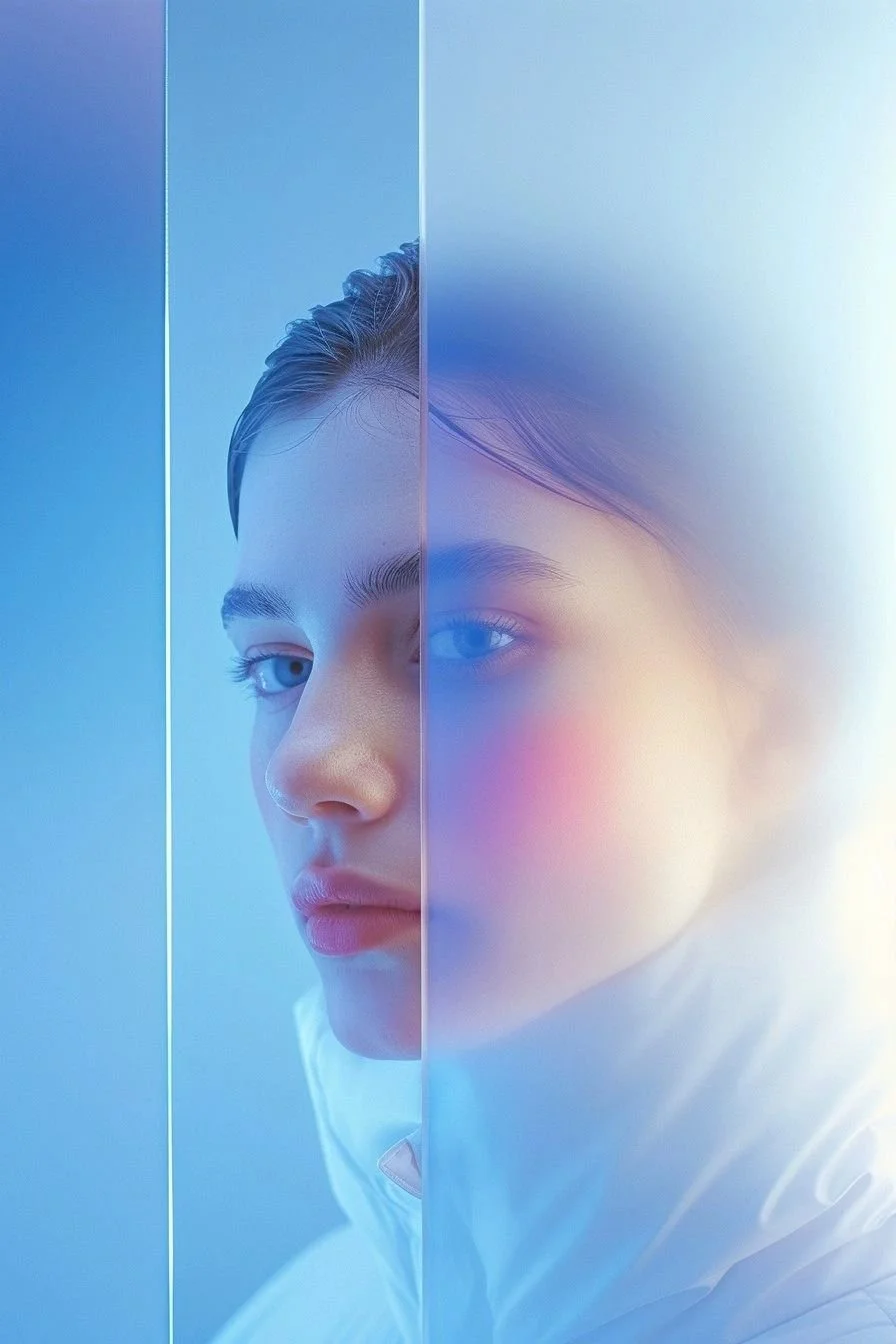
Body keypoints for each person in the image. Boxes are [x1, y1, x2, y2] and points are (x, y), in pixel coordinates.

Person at [213, 241, 896, 1342]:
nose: (306, 764)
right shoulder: (310, 1314)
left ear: (775, 719)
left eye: (466, 639)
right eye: (277, 667)